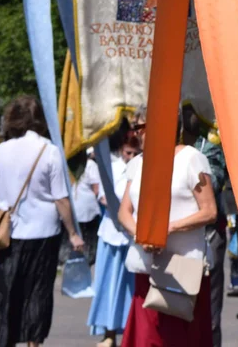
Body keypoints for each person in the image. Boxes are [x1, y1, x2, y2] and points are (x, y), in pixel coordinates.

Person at [0, 95, 85, 347]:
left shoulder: (2, 150)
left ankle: (6, 339)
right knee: (38, 290)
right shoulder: (49, 151)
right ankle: (33, 341)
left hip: (11, 230)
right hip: (44, 230)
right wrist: (72, 232)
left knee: (8, 289)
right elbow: (60, 198)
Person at [118, 110, 217, 347]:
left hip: (183, 270)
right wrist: (142, 234)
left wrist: (167, 228)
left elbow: (210, 211)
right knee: (147, 339)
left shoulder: (191, 158)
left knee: (181, 339)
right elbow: (124, 211)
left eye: (140, 126)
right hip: (146, 267)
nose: (136, 133)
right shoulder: (137, 163)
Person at [179, 105, 230, 347]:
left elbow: (215, 183)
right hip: (178, 237)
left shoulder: (208, 152)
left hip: (209, 236)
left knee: (208, 307)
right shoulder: (170, 153)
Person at [87, 125, 141, 347]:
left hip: (134, 236)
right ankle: (108, 333)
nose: (131, 157)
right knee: (108, 285)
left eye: (134, 153)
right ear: (121, 150)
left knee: (133, 288)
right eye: (128, 153)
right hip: (112, 232)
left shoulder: (142, 167)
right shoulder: (113, 166)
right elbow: (103, 196)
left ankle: (133, 333)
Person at [75, 147, 103, 264]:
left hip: (75, 206)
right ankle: (88, 258)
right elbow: (96, 188)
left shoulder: (72, 164)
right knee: (89, 236)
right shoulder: (91, 164)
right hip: (88, 208)